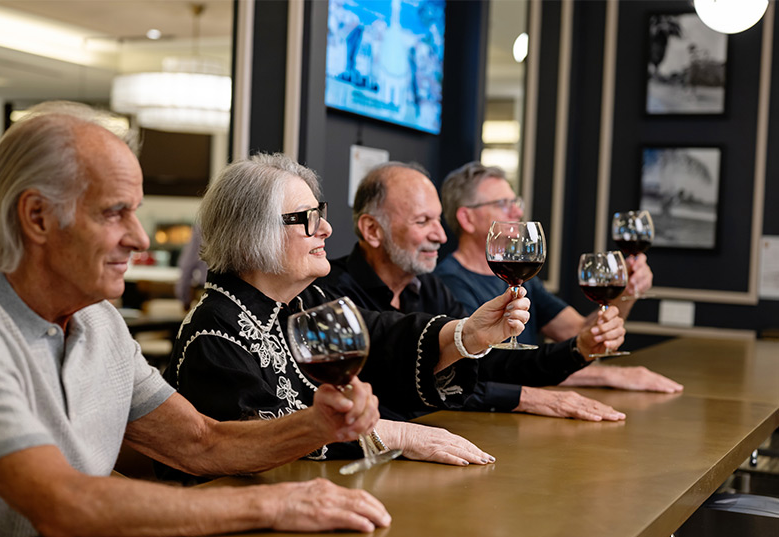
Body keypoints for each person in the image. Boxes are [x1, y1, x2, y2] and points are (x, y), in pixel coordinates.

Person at [0, 102, 394, 537]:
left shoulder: (100, 322)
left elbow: (201, 442)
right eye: (113, 212)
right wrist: (273, 503)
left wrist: (318, 425)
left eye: (136, 211)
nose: (140, 237)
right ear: (37, 217)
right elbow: (61, 504)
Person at [163, 153, 528, 481]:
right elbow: (254, 439)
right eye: (308, 218)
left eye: (320, 214)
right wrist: (396, 434)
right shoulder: (213, 333)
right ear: (254, 233)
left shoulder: (305, 301)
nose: (326, 229)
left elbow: (384, 338)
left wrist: (468, 334)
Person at [319, 161, 635, 422]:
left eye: (438, 220)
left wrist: (579, 349)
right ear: (372, 230)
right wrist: (528, 397)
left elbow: (490, 365)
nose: (441, 235)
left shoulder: (429, 286)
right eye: (422, 221)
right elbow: (382, 387)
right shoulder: (329, 294)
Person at [436, 161, 683, 393]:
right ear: (467, 218)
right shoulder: (448, 283)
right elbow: (492, 368)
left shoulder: (522, 278)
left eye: (516, 201)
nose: (517, 210)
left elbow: (581, 332)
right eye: (502, 203)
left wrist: (626, 292)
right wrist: (608, 376)